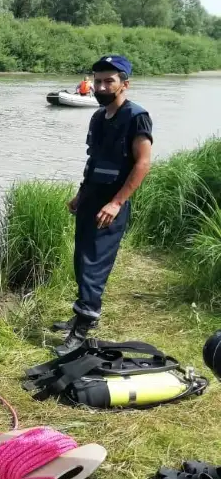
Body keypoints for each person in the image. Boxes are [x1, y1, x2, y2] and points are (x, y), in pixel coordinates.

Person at [53, 55, 153, 356]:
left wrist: (116, 203)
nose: (101, 86)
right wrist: (81, 194)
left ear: (125, 84)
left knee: (95, 263)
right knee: (82, 258)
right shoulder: (98, 117)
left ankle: (83, 326)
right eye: (97, 81)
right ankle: (82, 313)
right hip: (91, 198)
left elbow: (143, 163)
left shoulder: (136, 116)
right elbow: (93, 162)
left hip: (111, 204)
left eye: (109, 81)